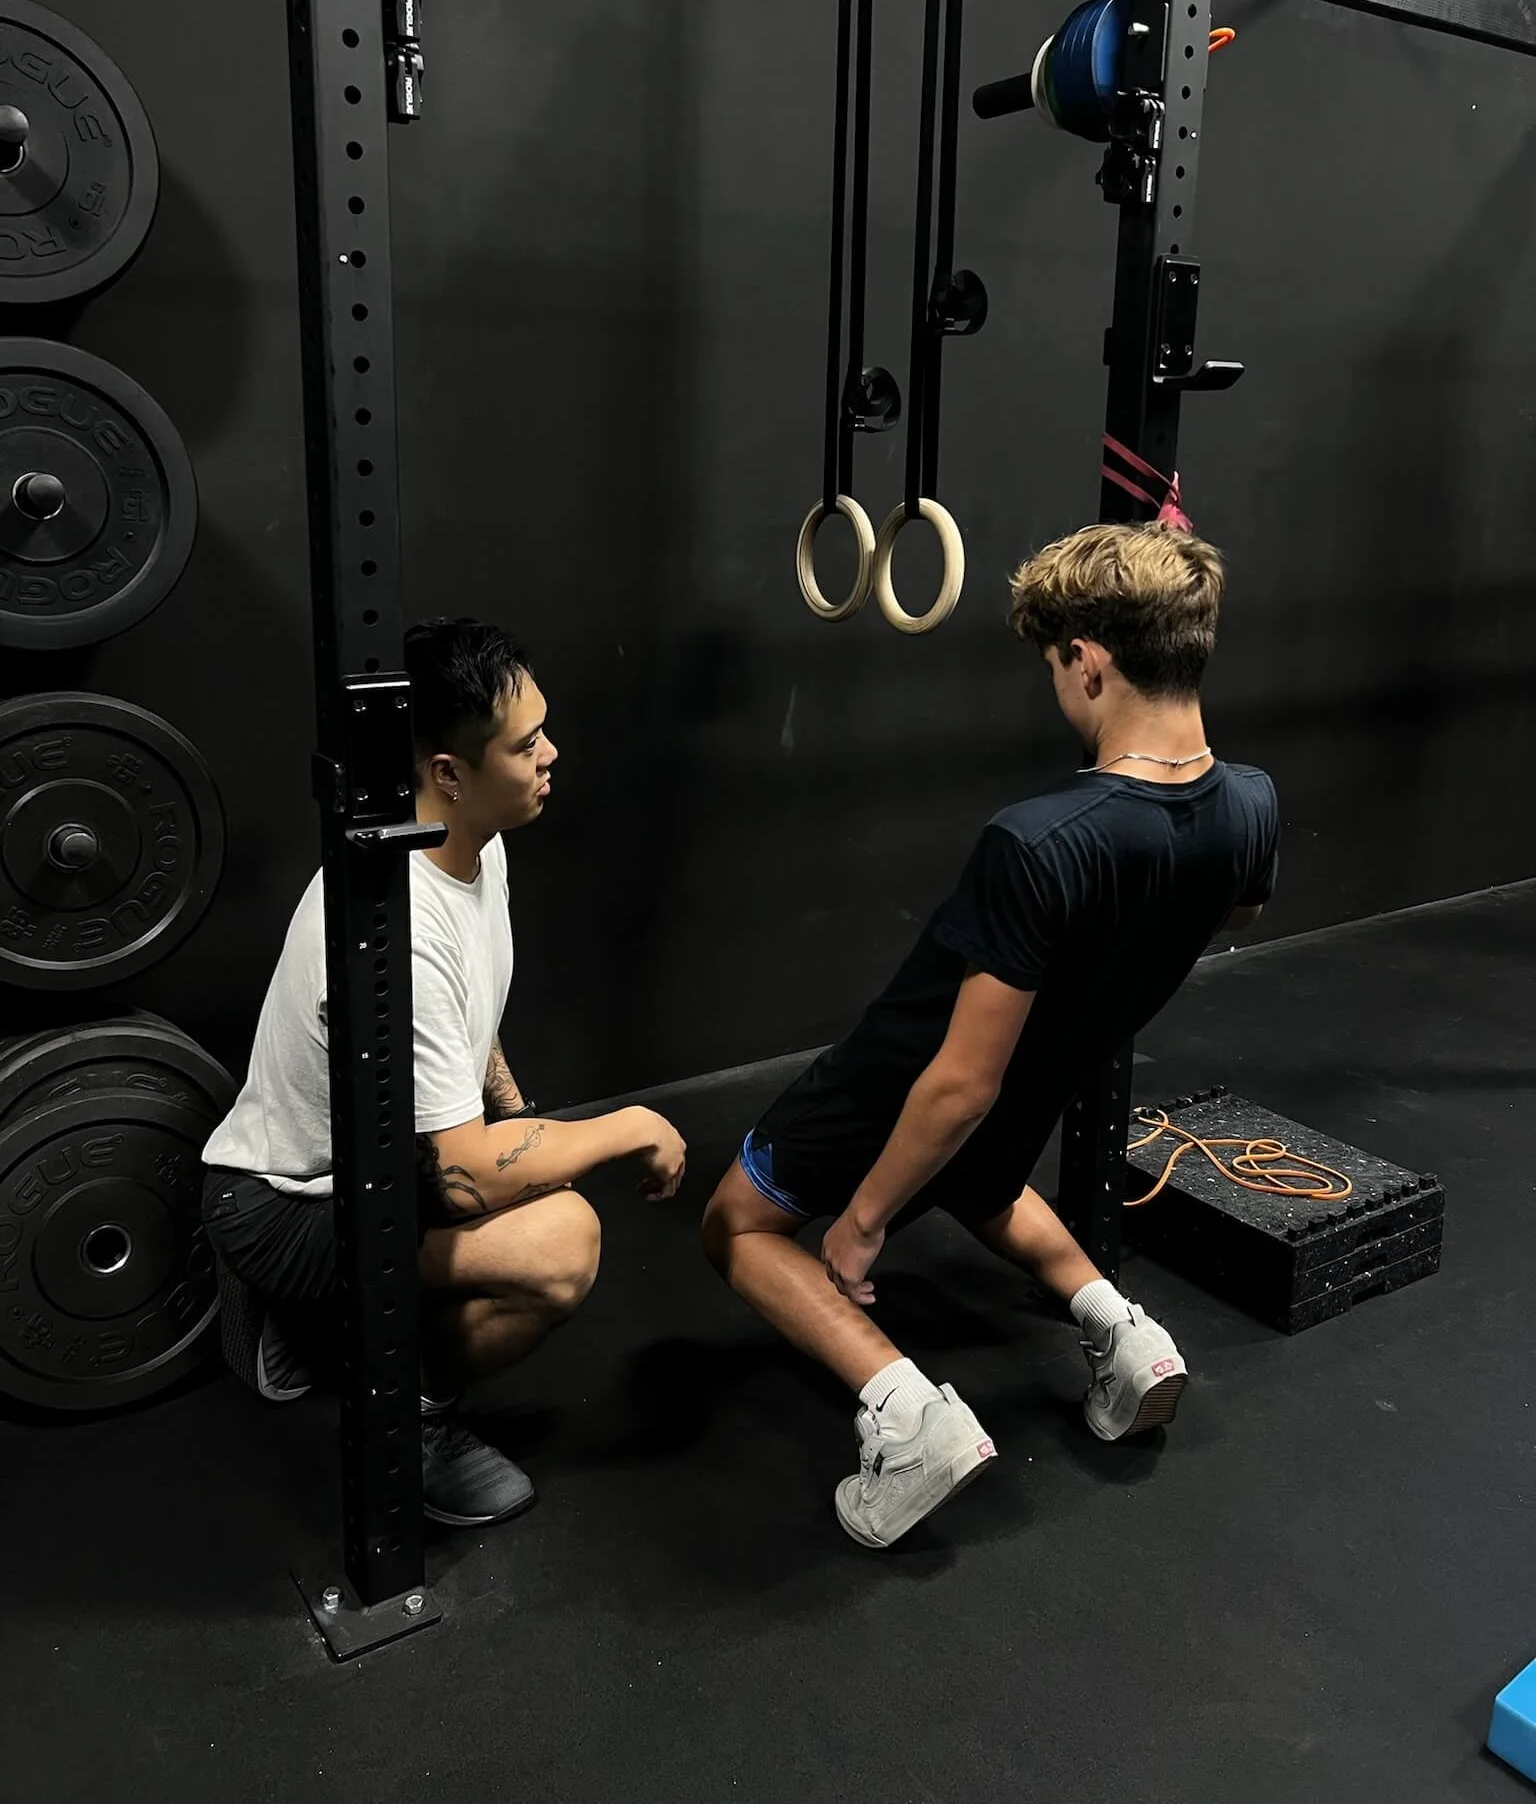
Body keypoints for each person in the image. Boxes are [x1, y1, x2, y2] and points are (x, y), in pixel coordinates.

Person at [703, 521, 1279, 1550]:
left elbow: (958, 1085)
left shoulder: (1039, 841)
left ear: (1088, 662)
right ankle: (1121, 1329)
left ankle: (909, 1419)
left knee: (738, 1227)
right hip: (1049, 1065)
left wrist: (864, 1222)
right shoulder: (1250, 803)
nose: (1057, 686)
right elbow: (1234, 913)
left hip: (908, 1076)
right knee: (981, 1180)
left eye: (1055, 667)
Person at [202, 618, 687, 1528]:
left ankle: (325, 1326)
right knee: (561, 1245)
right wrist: (630, 1127)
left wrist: (514, 1110)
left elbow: (466, 1029)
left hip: (387, 1164)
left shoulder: (471, 842)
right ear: (449, 775)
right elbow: (463, 1172)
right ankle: (402, 1421)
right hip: (288, 1202)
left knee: (536, 1181)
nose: (551, 753)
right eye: (526, 744)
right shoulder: (402, 921)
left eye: (543, 731)